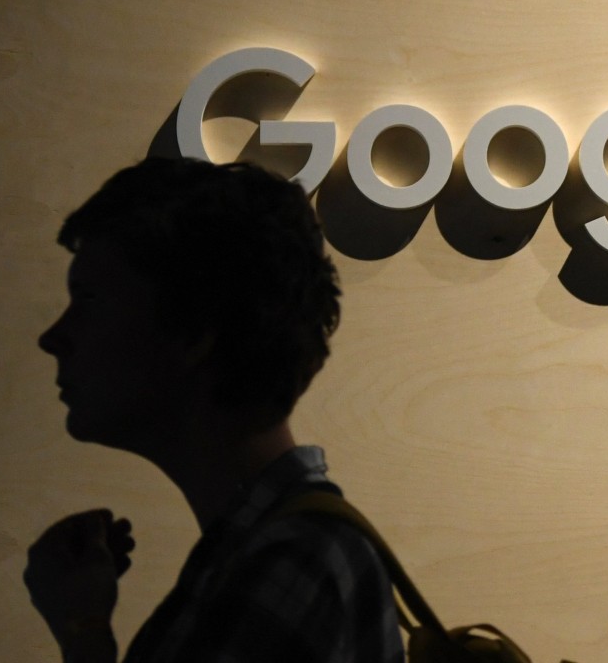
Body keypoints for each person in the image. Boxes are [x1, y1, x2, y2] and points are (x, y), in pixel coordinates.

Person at [23, 158, 404, 663]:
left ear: (195, 332)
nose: (53, 338)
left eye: (89, 301)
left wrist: (83, 630)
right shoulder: (268, 551)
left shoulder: (287, 566)